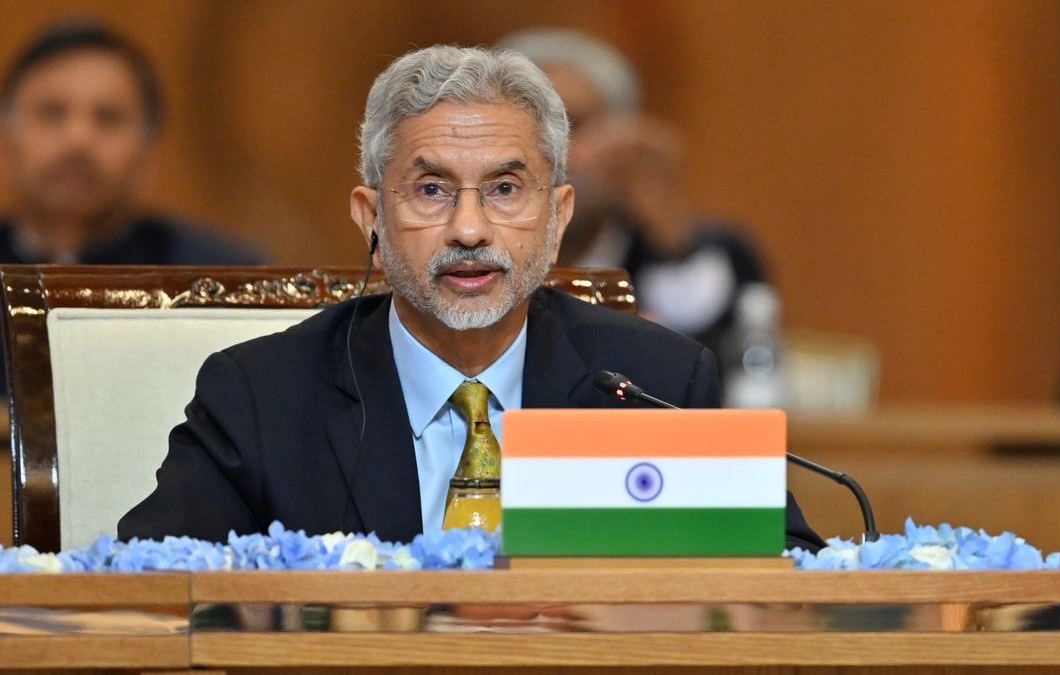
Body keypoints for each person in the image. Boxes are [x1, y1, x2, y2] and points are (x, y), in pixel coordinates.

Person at [117, 45, 824, 552]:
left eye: (505, 189)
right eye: (430, 190)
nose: (469, 229)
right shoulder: (261, 395)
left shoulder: (653, 383)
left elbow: (784, 578)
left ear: (558, 218)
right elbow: (149, 587)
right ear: (371, 217)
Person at [497, 29, 773, 371]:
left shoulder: (708, 255)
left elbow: (715, 378)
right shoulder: (463, 251)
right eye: (529, 129)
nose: (548, 154)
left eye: (571, 125)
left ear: (627, 139)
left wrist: (670, 238)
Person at [0, 21, 262, 265]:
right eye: (52, 113)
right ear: (6, 143)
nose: (79, 139)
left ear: (149, 153)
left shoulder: (224, 276)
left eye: (108, 117)